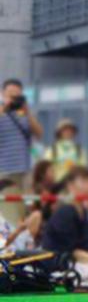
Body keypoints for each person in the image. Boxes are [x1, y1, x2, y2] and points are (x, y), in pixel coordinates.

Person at [0, 78, 43, 229]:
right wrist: (4, 107)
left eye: (17, 95)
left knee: (26, 204)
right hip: (4, 170)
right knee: (5, 205)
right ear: (2, 93)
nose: (14, 98)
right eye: (10, 94)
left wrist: (27, 112)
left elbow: (39, 133)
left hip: (24, 170)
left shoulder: (23, 113)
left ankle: (25, 235)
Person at [41, 166, 88, 279]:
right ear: (70, 186)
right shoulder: (65, 213)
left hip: (79, 264)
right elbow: (72, 252)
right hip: (59, 267)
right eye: (83, 181)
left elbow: (87, 247)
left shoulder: (84, 213)